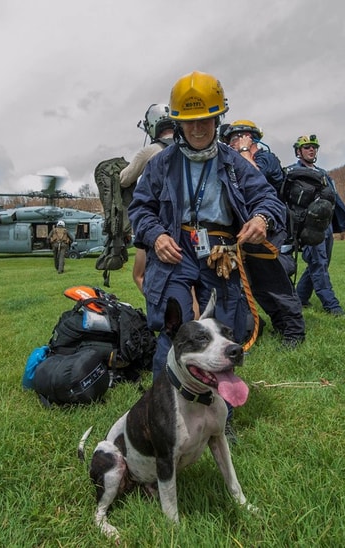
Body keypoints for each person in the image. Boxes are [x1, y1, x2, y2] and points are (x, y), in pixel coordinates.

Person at [129, 70, 288, 379]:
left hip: (220, 251)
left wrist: (261, 218)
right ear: (178, 124)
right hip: (174, 247)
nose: (198, 128)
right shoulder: (161, 164)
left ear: (218, 120)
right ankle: (165, 405)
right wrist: (156, 236)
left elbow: (269, 198)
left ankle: (221, 413)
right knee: (174, 324)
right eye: (190, 121)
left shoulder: (234, 162)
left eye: (206, 119)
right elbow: (140, 208)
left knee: (223, 330)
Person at [221, 120, 305, 346]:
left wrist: (244, 150)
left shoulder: (265, 158)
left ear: (249, 137)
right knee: (256, 285)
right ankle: (280, 325)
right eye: (229, 140)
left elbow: (255, 177)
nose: (231, 144)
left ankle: (295, 332)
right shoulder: (232, 162)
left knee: (274, 281)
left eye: (235, 138)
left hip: (270, 227)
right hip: (248, 231)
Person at [288, 134, 345, 316]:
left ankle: (300, 297)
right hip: (308, 228)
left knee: (320, 264)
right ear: (298, 151)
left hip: (327, 227)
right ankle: (332, 306)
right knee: (319, 264)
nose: (312, 150)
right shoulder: (292, 174)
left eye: (314, 147)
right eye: (307, 147)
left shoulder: (324, 174)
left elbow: (335, 200)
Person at [120, 103, 176, 293]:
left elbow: (125, 179)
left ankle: (159, 309)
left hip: (155, 226)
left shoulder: (151, 151)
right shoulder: (189, 148)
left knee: (139, 275)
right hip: (187, 227)